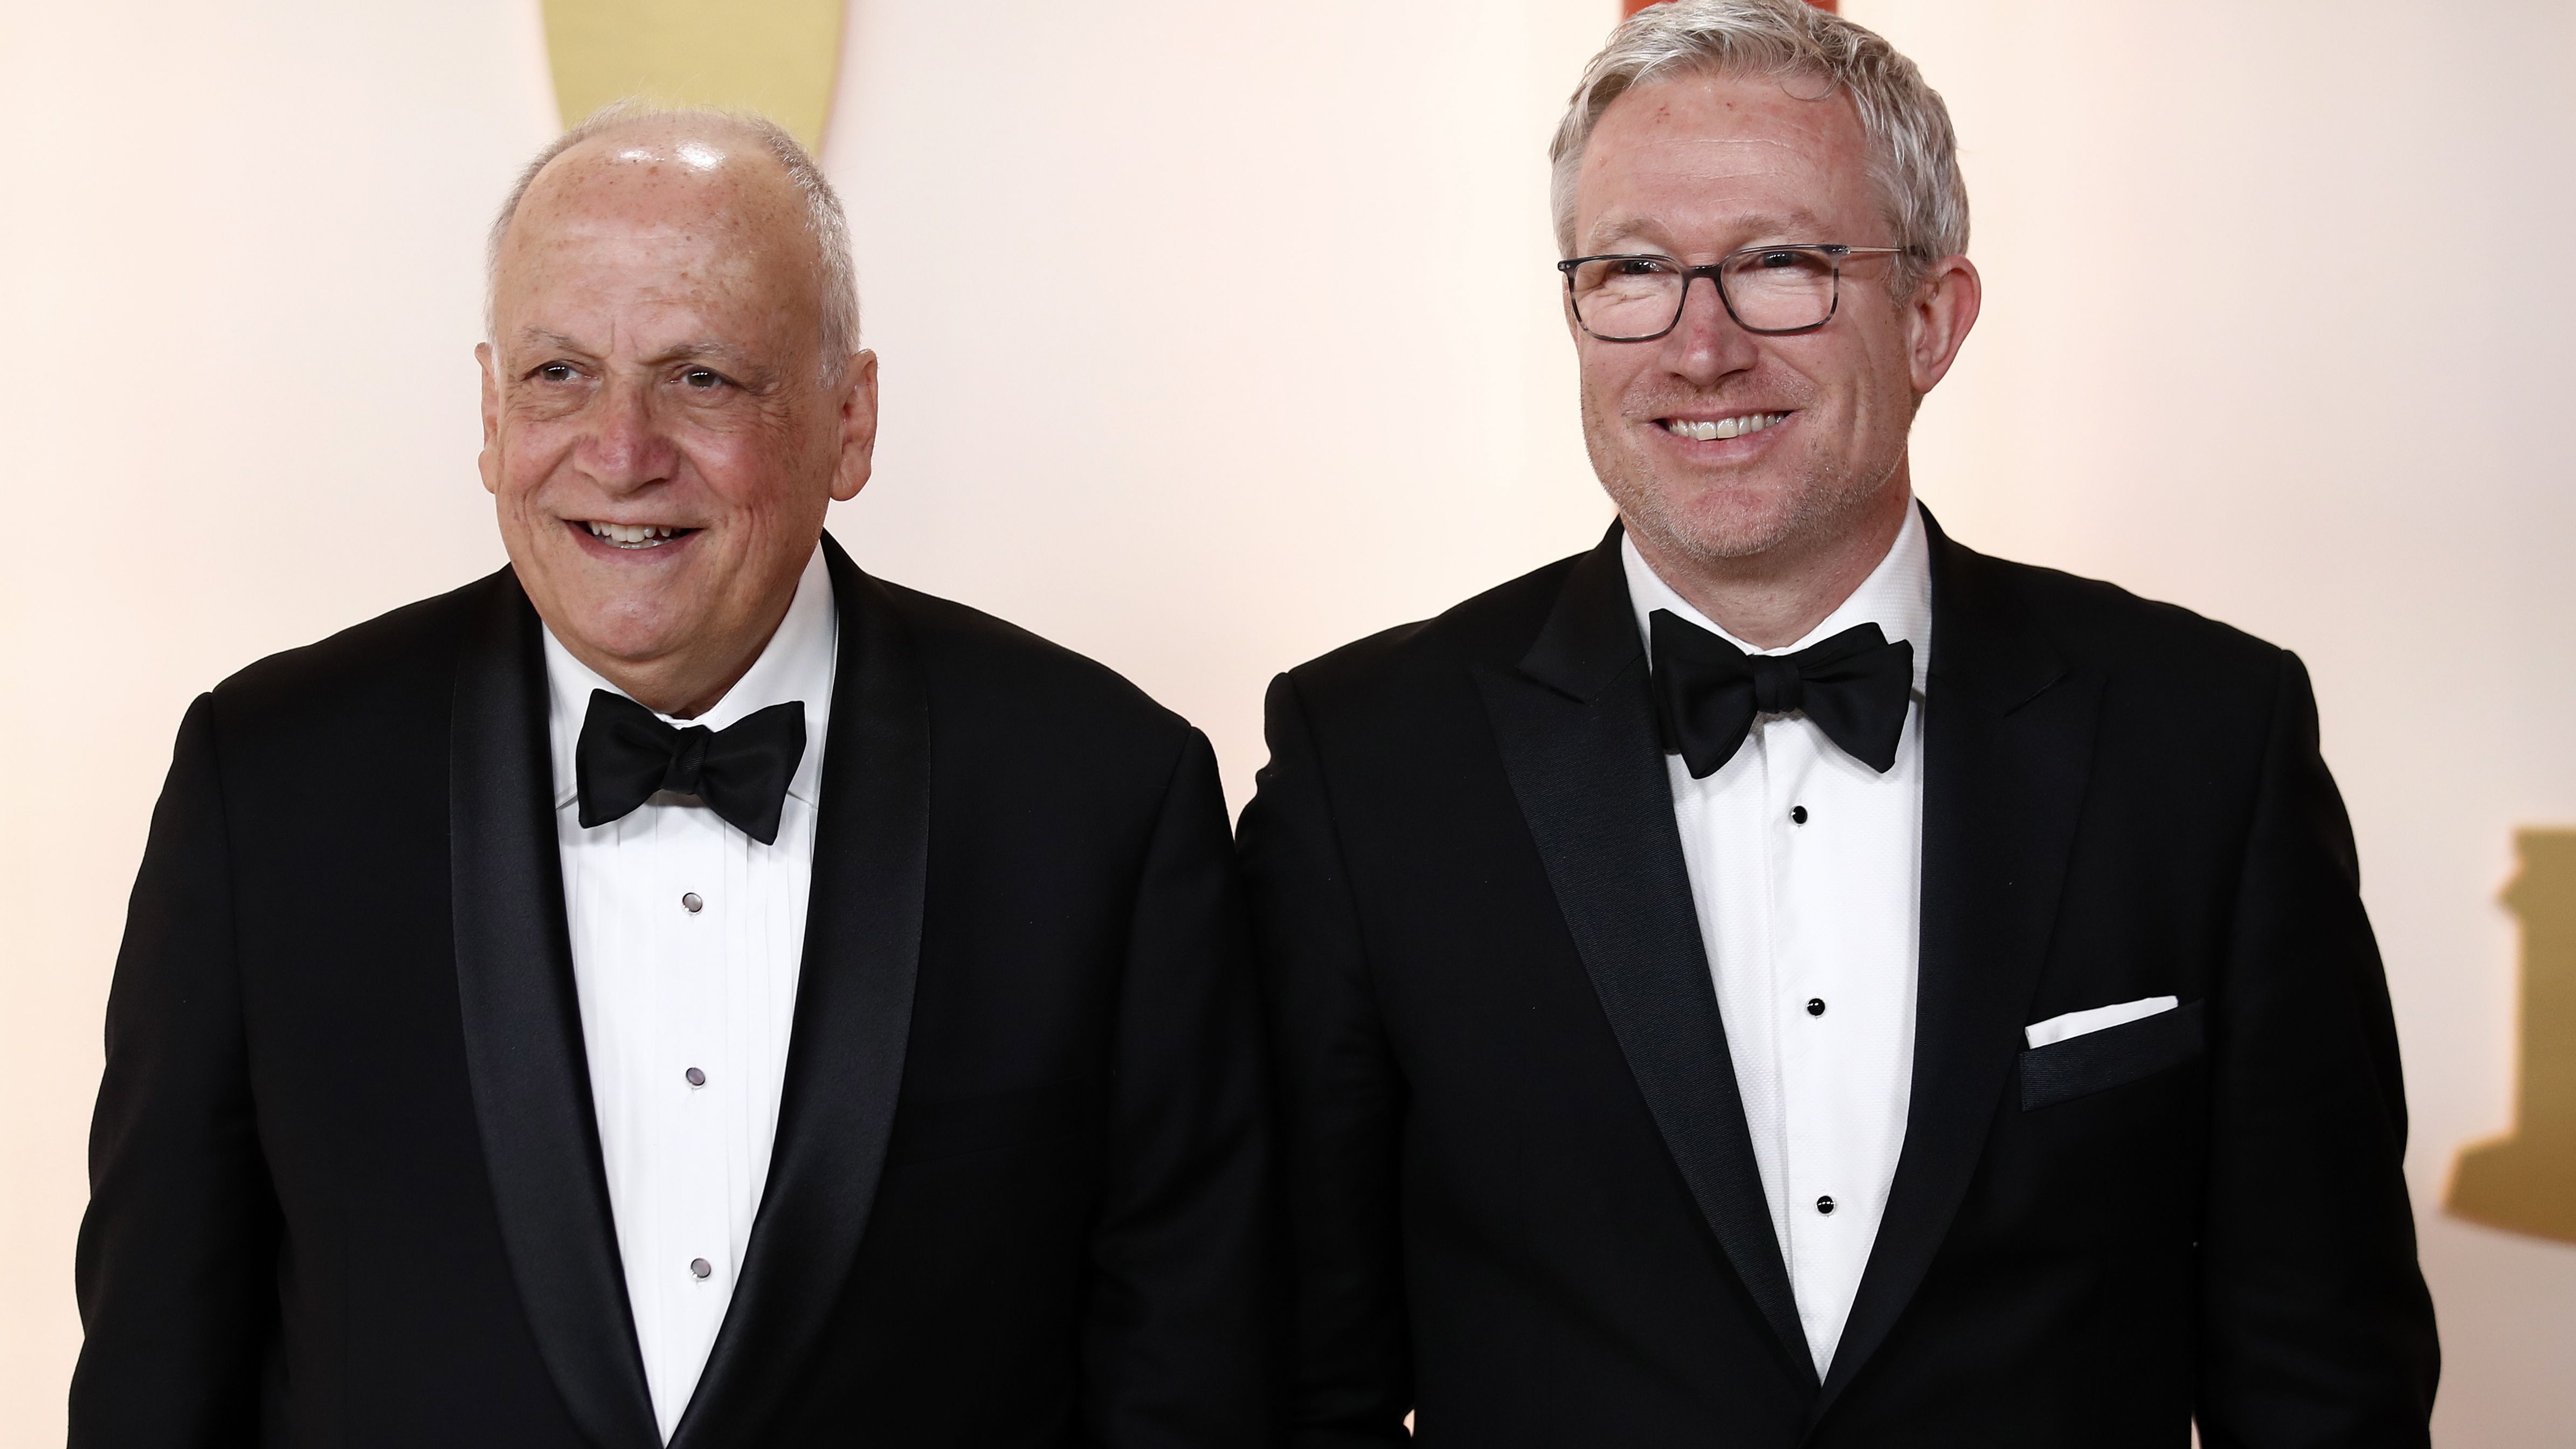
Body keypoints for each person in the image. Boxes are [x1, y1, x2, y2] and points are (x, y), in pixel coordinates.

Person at [1238, 2, 2439, 1444]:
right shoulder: (1366, 759)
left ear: (1928, 319)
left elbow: (2322, 1372)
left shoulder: (2207, 737)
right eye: (1632, 272)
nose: (1697, 349)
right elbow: (1302, 1376)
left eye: (1779, 265)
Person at [73, 106, 1267, 1447]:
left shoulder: (1105, 796)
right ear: (487, 411)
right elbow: (156, 1376)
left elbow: (1189, 1382)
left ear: (849, 420)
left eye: (701, 377)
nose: (622, 449)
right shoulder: (269, 783)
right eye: (559, 375)